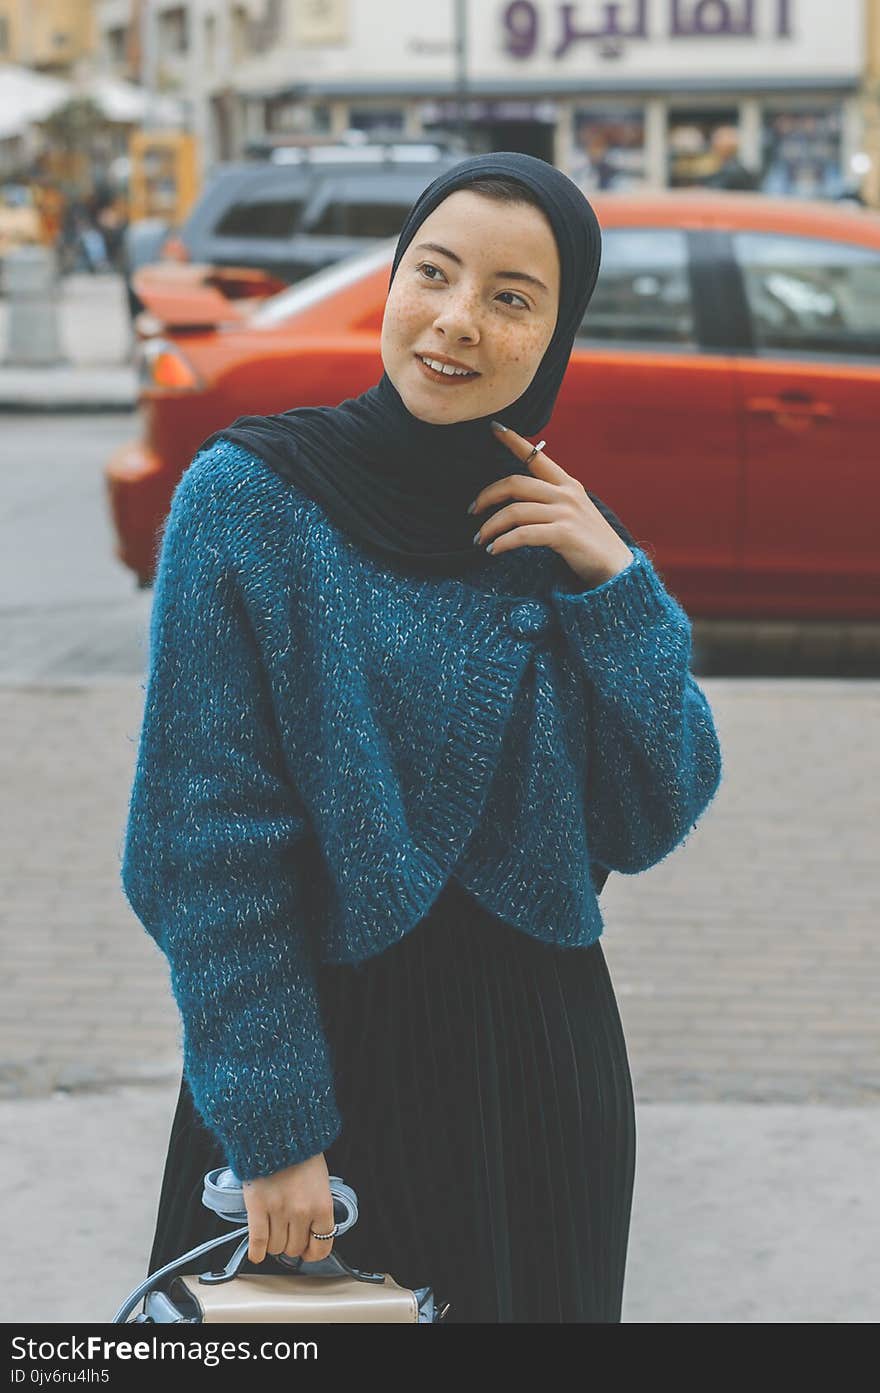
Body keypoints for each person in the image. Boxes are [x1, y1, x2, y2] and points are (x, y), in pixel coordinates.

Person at [121, 151, 724, 1323]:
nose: (456, 321)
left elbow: (655, 812)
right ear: (391, 280)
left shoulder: (560, 529)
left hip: (541, 1070)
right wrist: (275, 1126)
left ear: (555, 335)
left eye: (511, 297)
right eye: (432, 274)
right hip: (328, 1069)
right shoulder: (247, 500)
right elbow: (203, 853)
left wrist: (618, 588)